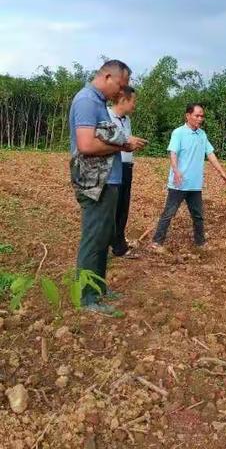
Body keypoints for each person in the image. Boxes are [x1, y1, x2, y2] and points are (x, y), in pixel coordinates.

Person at [69, 60, 147, 313]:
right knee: (93, 238)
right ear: (107, 77)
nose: (121, 93)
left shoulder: (99, 102)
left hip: (108, 180)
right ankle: (87, 297)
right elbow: (86, 146)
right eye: (120, 85)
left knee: (103, 237)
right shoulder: (87, 101)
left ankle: (98, 288)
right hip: (95, 182)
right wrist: (123, 145)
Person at [151, 103, 226, 251]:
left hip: (195, 184)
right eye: (197, 115)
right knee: (169, 213)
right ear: (188, 116)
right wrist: (176, 171)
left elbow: (210, 154)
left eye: (202, 116)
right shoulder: (178, 133)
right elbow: (172, 153)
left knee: (198, 215)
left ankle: (200, 243)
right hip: (179, 183)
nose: (200, 119)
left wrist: (222, 173)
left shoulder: (202, 134)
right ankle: (156, 242)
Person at [108, 86, 137, 257]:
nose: (134, 105)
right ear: (124, 100)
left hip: (126, 167)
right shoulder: (105, 116)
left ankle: (118, 243)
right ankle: (109, 243)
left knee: (123, 208)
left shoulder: (127, 120)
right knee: (110, 208)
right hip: (112, 167)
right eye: (133, 101)